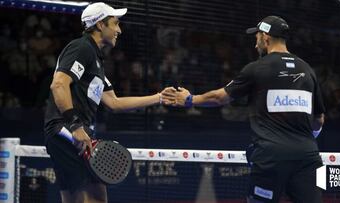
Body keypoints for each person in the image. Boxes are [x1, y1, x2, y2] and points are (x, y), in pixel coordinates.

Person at [169, 16, 325, 203]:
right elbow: (319, 121)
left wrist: (189, 99)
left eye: (257, 37)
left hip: (270, 157)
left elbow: (219, 97)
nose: (255, 44)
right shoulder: (308, 70)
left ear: (265, 38)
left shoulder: (257, 68)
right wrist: (303, 140)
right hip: (310, 157)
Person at [44, 3, 174, 203]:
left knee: (95, 197)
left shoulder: (96, 62)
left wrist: (159, 97)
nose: (119, 30)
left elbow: (114, 102)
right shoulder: (81, 47)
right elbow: (59, 84)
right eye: (115, 23)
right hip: (67, 131)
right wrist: (76, 125)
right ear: (99, 25)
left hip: (80, 132)